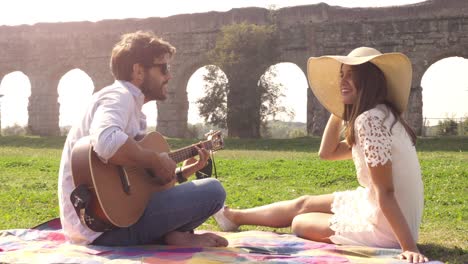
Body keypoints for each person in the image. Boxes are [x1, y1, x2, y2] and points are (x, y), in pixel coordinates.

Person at [214, 47, 428, 263]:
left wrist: (409, 247)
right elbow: (328, 153)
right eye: (341, 75)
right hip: (385, 209)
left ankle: (236, 217)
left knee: (300, 222)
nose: (343, 81)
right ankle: (234, 216)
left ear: (369, 80)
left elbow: (386, 190)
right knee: (304, 203)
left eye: (351, 76)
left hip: (386, 226)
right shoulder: (382, 115)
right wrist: (339, 109)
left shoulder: (370, 121)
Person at [58, 30, 228, 247]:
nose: (169, 76)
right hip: (105, 229)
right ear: (138, 71)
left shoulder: (132, 108)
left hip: (102, 225)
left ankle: (172, 235)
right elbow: (107, 142)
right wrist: (156, 160)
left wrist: (183, 172)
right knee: (213, 190)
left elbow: (139, 186)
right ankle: (175, 234)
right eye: (163, 68)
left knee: (206, 188)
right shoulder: (119, 97)